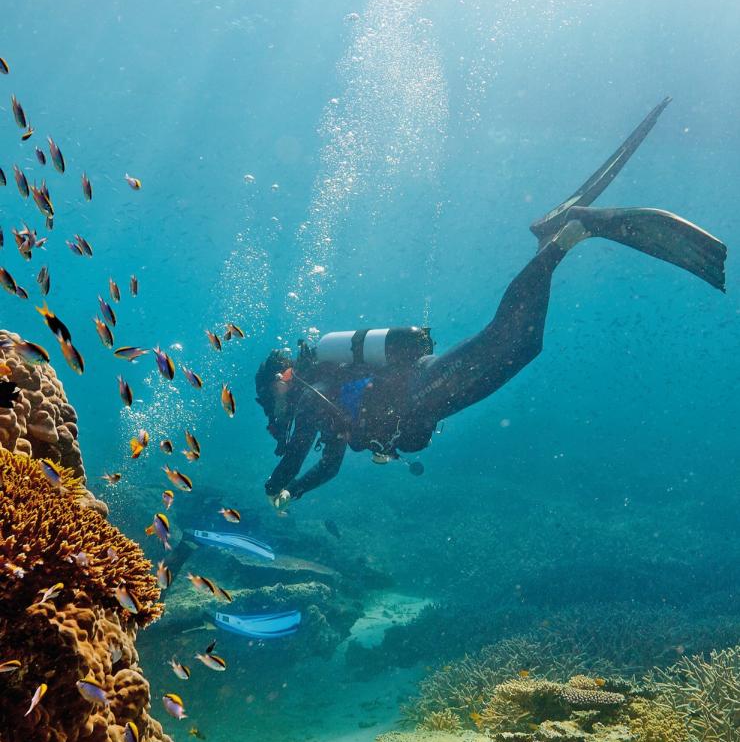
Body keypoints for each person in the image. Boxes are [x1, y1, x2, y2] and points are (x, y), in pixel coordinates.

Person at [256, 98, 727, 508]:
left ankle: (563, 236)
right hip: (427, 396)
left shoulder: (313, 396)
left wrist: (274, 484)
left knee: (508, 340)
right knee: (522, 345)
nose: (272, 408)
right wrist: (293, 493)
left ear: (284, 378)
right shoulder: (324, 399)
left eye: (268, 396)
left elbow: (298, 454)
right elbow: (328, 467)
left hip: (424, 387)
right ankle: (558, 241)